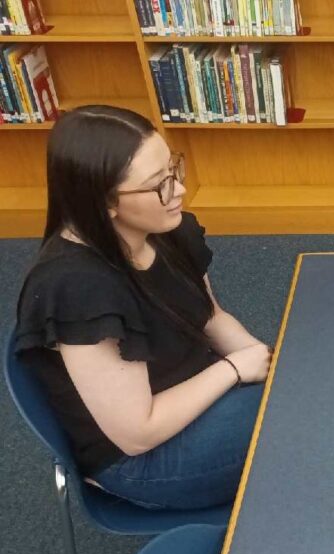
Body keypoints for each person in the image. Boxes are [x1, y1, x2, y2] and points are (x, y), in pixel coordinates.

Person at [14, 105, 272, 510]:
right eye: (160, 183)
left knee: (306, 392)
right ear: (104, 203)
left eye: (174, 170)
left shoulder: (166, 229)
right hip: (145, 460)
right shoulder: (77, 288)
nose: (179, 190)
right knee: (309, 421)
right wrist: (235, 369)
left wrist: (270, 363)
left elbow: (211, 317)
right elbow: (137, 432)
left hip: (199, 397)